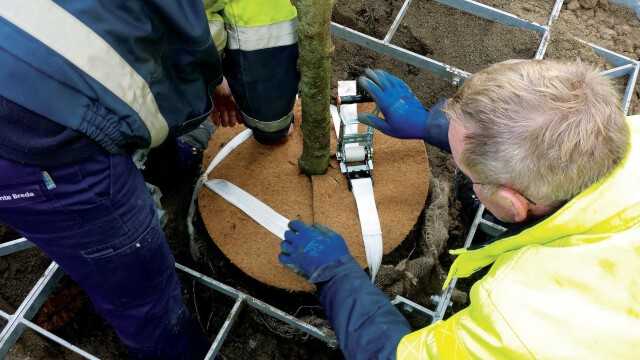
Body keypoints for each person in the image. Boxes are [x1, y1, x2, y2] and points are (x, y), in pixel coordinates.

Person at [279, 60, 640, 359]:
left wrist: (337, 275)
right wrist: (435, 127)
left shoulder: (520, 322)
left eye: (465, 172)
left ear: (510, 205)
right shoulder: (622, 136)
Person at [0, 0, 298, 358]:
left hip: (27, 58)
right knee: (140, 291)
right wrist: (272, 128)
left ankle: (168, 167)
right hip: (35, 144)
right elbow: (268, 100)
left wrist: (214, 78)